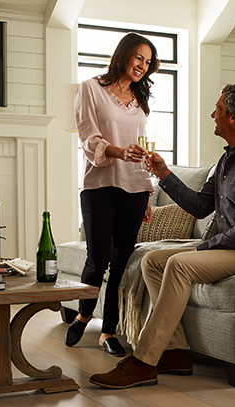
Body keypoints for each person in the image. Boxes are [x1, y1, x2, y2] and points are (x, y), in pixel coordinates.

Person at [89, 83, 235, 388]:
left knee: (179, 264)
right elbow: (200, 205)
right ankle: (176, 352)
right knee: (152, 261)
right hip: (227, 247)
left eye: (218, 110)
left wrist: (206, 247)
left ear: (234, 118)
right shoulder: (228, 158)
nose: (213, 115)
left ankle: (143, 360)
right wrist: (164, 174)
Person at [64, 33, 159, 357]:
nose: (143, 67)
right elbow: (89, 138)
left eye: (148, 62)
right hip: (99, 186)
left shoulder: (139, 99)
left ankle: (108, 332)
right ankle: (84, 313)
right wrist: (118, 151)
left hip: (134, 187)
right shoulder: (91, 88)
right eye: (139, 59)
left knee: (121, 261)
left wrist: (147, 191)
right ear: (124, 55)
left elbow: (144, 149)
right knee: (98, 257)